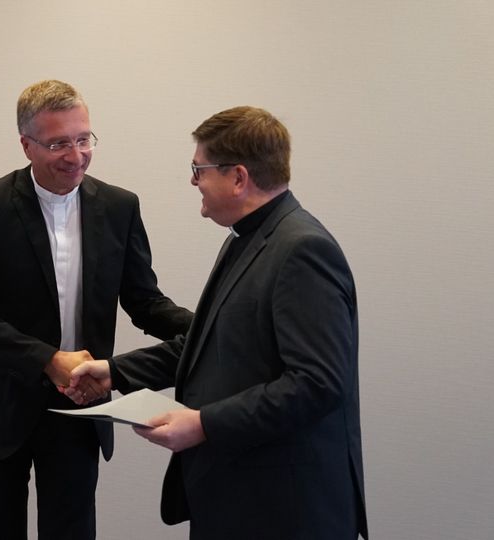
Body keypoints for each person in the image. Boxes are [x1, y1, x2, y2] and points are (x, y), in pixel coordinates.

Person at [67, 106, 368, 539]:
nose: (193, 181)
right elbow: (207, 343)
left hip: (284, 508)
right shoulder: (247, 240)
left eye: (199, 169)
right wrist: (114, 372)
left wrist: (204, 424)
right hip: (238, 493)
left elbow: (316, 384)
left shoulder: (302, 251)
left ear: (239, 177)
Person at [0, 80, 192, 539]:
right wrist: (46, 360)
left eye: (83, 139)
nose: (75, 156)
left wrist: (212, 324)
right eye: (58, 144)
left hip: (79, 409)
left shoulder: (119, 206)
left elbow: (145, 302)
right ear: (26, 145)